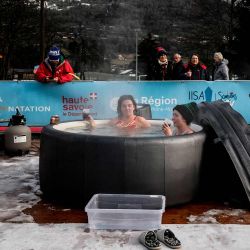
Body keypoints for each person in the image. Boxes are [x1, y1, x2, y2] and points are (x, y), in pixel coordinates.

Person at [83, 95, 151, 129]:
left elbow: (150, 133)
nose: (127, 108)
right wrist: (92, 123)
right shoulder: (115, 121)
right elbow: (101, 130)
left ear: (134, 107)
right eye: (124, 106)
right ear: (120, 108)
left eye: (129, 105)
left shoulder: (140, 120)